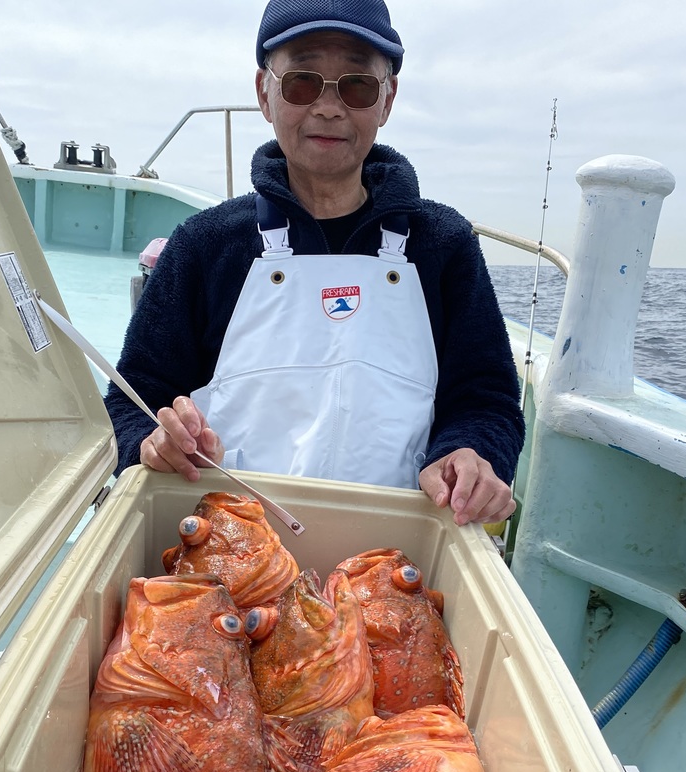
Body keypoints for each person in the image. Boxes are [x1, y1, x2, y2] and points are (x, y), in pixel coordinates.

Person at [105, 0, 524, 526]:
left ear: (387, 99)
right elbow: (130, 402)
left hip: (397, 549)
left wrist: (470, 452)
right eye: (302, 83)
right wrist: (153, 441)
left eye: (357, 86)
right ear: (265, 93)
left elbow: (487, 401)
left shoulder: (444, 244)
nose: (328, 107)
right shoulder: (204, 245)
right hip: (225, 541)